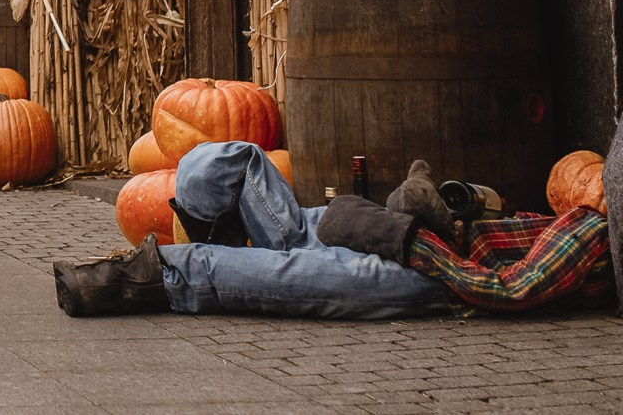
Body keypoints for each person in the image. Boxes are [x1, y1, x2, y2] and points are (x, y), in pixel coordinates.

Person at [54, 141, 616, 318]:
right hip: (418, 247)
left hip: (422, 273)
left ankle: (147, 278)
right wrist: (418, 213)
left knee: (281, 269)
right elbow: (507, 277)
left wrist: (405, 237)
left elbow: (508, 290)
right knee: (239, 159)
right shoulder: (595, 231)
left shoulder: (592, 241)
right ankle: (213, 231)